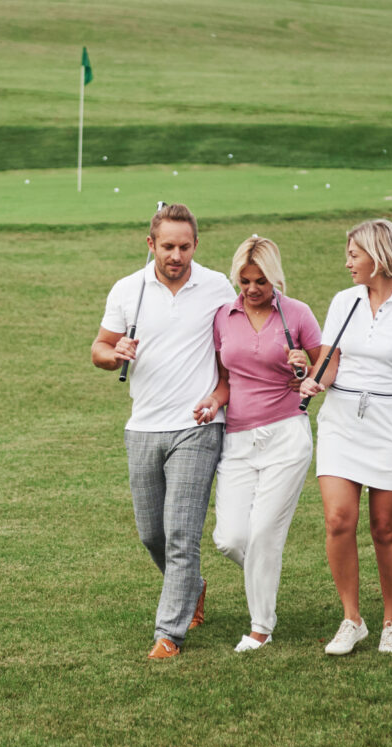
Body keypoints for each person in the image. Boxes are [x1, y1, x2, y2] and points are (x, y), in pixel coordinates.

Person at [91, 203, 235, 660]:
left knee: (180, 534)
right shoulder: (127, 289)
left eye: (185, 246)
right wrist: (115, 355)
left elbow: (233, 351)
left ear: (196, 244)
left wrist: (220, 396)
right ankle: (193, 585)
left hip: (198, 425)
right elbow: (98, 347)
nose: (176, 255)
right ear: (150, 244)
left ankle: (169, 634)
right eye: (168, 246)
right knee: (151, 533)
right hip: (143, 427)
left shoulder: (216, 286)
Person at [300, 218, 392, 655]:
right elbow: (330, 359)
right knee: (338, 521)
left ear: (378, 257)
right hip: (342, 422)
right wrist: (315, 381)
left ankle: (391, 622)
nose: (346, 262)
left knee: (386, 529)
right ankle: (351, 619)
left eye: (353, 254)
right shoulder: (343, 301)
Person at [194, 235, 321, 653]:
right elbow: (226, 381)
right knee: (229, 538)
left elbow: (326, 361)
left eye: (260, 281)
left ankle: (260, 628)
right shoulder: (223, 317)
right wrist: (213, 402)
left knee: (265, 532)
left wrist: (309, 369)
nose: (251, 289)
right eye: (244, 280)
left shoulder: (296, 313)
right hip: (238, 438)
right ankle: (265, 574)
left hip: (286, 434)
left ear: (275, 278)